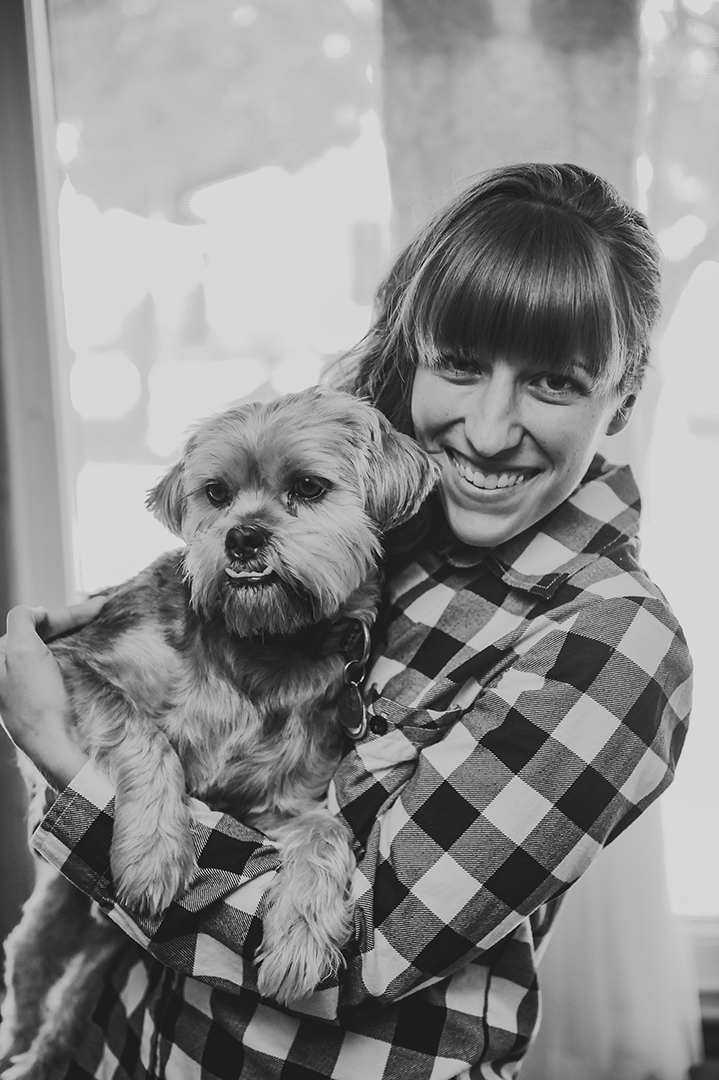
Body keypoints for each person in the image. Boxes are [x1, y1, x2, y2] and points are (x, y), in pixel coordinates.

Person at [0, 162, 692, 1079]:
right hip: (127, 1041)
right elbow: (137, 635)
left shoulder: (613, 648)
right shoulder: (370, 512)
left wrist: (60, 749)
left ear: (626, 390)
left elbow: (366, 947)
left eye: (553, 384)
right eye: (459, 366)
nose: (487, 431)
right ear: (414, 353)